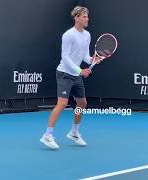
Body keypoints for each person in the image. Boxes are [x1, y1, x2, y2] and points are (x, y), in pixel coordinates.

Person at [40, 6, 101, 149]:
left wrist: (93, 59)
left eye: (88, 16)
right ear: (76, 18)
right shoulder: (68, 35)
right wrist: (80, 71)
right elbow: (65, 57)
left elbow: (85, 56)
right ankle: (47, 135)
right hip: (64, 73)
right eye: (84, 16)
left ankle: (74, 132)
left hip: (76, 74)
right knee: (62, 103)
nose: (87, 18)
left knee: (82, 103)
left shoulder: (87, 35)